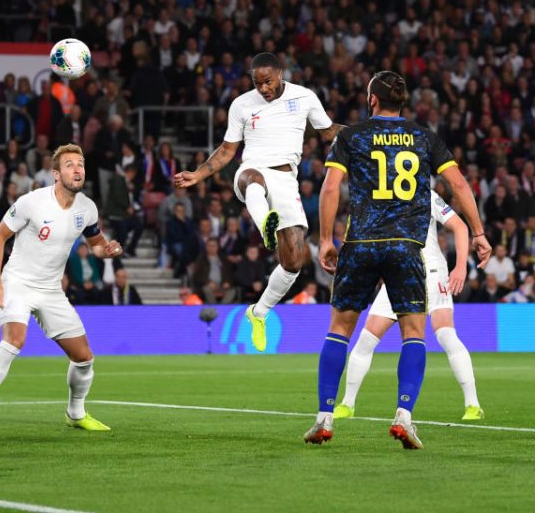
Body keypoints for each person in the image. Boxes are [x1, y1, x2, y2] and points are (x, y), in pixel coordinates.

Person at [305, 72, 491, 450]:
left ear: (372, 100)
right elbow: (458, 184)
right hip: (407, 247)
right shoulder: (424, 137)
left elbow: (330, 187)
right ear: (402, 102)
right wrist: (479, 232)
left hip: (361, 242)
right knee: (414, 333)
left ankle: (325, 417)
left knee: (341, 328)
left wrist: (326, 239)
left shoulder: (351, 136)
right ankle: (404, 416)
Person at [175, 52, 342, 351]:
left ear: (281, 73)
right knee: (252, 179)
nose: (263, 88)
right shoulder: (241, 104)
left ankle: (259, 312)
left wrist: (368, 132)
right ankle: (265, 222)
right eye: (257, 83)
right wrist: (198, 175)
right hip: (252, 173)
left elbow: (328, 131)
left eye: (268, 81)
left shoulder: (304, 97)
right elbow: (227, 150)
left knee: (292, 263)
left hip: (286, 180)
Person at [0, 144, 123, 437]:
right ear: (56, 174)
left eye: (81, 164)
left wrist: (106, 250)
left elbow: (95, 244)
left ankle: (76, 413)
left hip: (51, 290)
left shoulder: (87, 208)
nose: (78, 169)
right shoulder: (32, 202)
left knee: (84, 358)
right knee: (14, 341)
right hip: (17, 282)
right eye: (70, 165)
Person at [334, 192, 485, 422]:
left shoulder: (425, 193)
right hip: (398, 275)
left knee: (445, 334)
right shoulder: (378, 197)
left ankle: (473, 404)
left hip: (431, 271)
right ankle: (347, 404)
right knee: (366, 338)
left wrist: (460, 266)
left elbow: (460, 227)